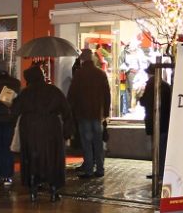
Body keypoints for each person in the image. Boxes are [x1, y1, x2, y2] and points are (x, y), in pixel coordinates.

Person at [13, 65, 73, 201]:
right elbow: (66, 110)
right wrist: (67, 131)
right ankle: (53, 189)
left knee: (32, 158)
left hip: (30, 129)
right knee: (52, 158)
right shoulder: (54, 91)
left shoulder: (26, 93)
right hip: (52, 128)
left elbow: (15, 111)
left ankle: (33, 187)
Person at [67, 48, 111, 178]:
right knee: (98, 142)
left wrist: (70, 111)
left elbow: (72, 95)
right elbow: (107, 95)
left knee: (87, 143)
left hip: (83, 114)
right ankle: (100, 169)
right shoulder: (100, 74)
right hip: (97, 114)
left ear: (82, 60)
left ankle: (89, 169)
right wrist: (106, 112)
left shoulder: (79, 75)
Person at [140, 64, 172, 180]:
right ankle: (159, 172)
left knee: (157, 149)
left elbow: (144, 102)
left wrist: (141, 98)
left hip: (155, 121)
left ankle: (158, 172)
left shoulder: (150, 85)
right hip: (164, 122)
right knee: (161, 148)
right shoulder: (166, 86)